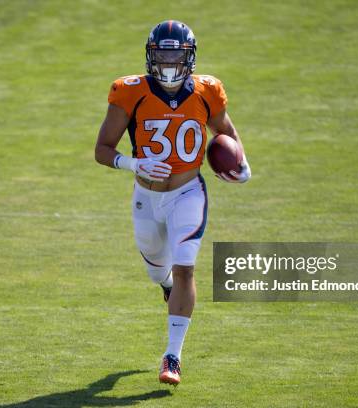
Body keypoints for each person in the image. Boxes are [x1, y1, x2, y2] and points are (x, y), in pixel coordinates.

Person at [94, 20, 251, 386]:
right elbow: (102, 150)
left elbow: (225, 132)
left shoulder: (207, 90)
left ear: (189, 57)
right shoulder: (129, 91)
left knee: (186, 267)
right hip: (146, 197)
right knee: (156, 267)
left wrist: (242, 162)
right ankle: (163, 282)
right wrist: (133, 162)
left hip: (187, 192)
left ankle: (173, 356)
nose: (167, 62)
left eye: (175, 54)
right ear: (150, 56)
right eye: (161, 53)